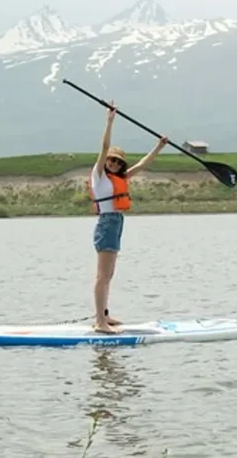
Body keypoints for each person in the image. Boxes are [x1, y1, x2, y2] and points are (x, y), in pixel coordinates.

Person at [88, 101, 169, 333]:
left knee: (109, 274)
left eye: (117, 161)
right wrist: (110, 121)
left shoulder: (121, 178)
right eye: (110, 160)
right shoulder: (99, 176)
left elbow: (143, 164)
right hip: (106, 224)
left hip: (117, 223)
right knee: (102, 276)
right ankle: (100, 324)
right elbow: (103, 147)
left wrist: (159, 146)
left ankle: (104, 315)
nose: (112, 162)